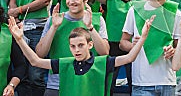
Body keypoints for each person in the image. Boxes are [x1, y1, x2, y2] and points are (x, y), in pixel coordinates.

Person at [8, 14, 154, 96]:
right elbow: (35, 61)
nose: (76, 50)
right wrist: (20, 39)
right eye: (72, 46)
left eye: (80, 45)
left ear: (90, 45)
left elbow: (130, 58)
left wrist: (143, 38)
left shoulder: (103, 62)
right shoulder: (65, 64)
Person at [35, 0, 109, 95]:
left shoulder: (97, 19)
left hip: (87, 83)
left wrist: (90, 27)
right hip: (57, 84)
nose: (71, 2)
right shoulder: (53, 20)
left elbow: (104, 52)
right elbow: (40, 53)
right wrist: (54, 27)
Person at [120, 0, 181, 95]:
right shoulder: (134, 10)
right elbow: (123, 43)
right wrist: (134, 46)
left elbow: (179, 47)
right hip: (141, 82)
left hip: (167, 82)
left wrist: (173, 51)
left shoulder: (176, 14)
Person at [6, 0, 52, 95]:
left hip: (38, 29)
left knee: (36, 75)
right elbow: (11, 2)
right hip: (18, 29)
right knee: (21, 73)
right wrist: (15, 16)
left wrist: (18, 10)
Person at [91, 0, 136, 94]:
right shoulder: (110, 0)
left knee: (133, 80)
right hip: (112, 45)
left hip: (129, 45)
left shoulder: (136, 4)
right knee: (109, 80)